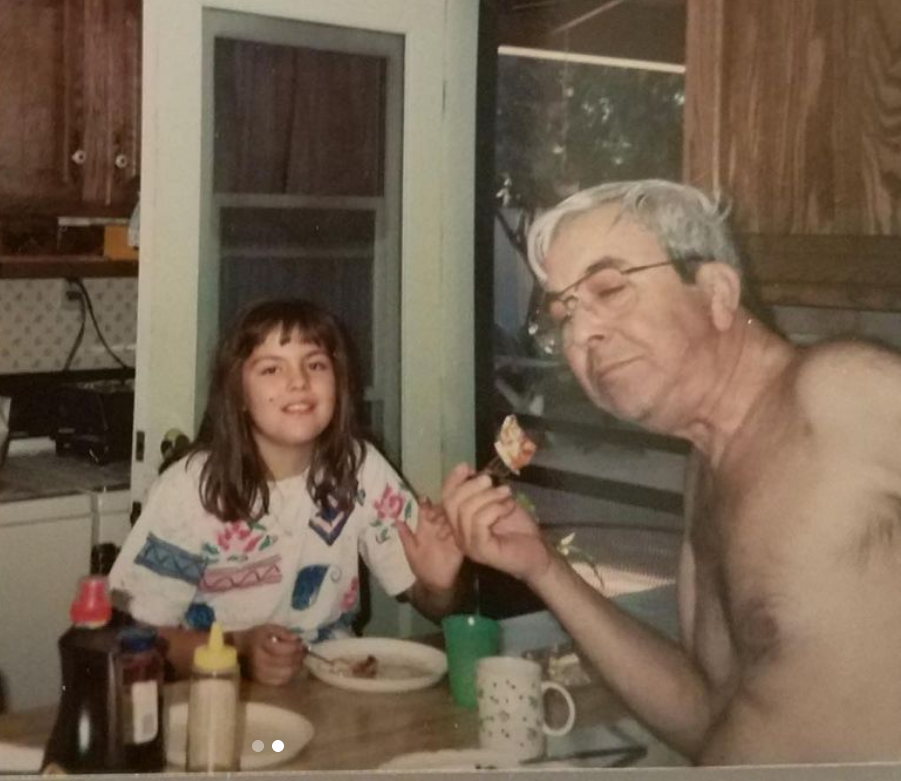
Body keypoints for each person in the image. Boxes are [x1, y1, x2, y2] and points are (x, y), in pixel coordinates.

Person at [441, 179, 901, 765]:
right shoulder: (704, 474)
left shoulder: (839, 393)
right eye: (565, 316)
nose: (582, 335)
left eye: (609, 288)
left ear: (716, 292)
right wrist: (542, 567)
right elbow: (709, 714)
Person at [110, 298, 470, 685]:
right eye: (271, 369)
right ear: (238, 394)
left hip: (331, 689)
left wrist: (440, 584)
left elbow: (438, 608)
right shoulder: (190, 490)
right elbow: (131, 637)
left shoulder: (359, 467)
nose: (298, 381)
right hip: (220, 692)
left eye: (315, 364)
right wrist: (241, 651)